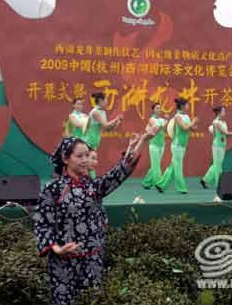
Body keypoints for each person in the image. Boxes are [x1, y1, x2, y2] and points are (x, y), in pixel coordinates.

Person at [33, 129, 155, 305]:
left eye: (86, 156)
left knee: (92, 300)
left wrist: (143, 140)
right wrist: (56, 248)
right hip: (63, 263)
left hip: (93, 260)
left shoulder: (93, 187)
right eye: (79, 156)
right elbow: (42, 222)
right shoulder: (52, 189)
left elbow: (121, 170)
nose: (85, 161)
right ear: (66, 159)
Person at [155, 98, 198, 194]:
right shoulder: (178, 116)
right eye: (187, 105)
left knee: (173, 166)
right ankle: (181, 188)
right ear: (182, 106)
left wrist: (194, 126)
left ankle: (161, 184)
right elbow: (185, 127)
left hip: (183, 145)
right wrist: (193, 123)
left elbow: (190, 128)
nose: (188, 106)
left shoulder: (186, 116)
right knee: (178, 166)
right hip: (177, 145)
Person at [200, 106, 232, 189]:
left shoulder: (224, 122)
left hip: (222, 145)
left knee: (216, 164)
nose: (225, 113)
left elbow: (226, 135)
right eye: (223, 111)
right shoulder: (216, 122)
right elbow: (225, 133)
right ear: (219, 113)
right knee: (218, 165)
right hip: (217, 146)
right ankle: (219, 184)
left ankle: (205, 180)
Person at [142, 103, 169, 189]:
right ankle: (159, 184)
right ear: (153, 110)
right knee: (156, 166)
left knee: (155, 165)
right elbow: (156, 129)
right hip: (153, 145)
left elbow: (165, 131)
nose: (159, 109)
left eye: (160, 108)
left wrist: (166, 123)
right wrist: (164, 123)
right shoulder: (151, 119)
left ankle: (146, 182)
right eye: (157, 108)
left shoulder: (162, 120)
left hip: (162, 145)